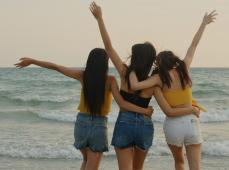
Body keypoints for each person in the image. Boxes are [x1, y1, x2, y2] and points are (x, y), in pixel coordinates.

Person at [90, 2, 200, 170]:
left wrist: (99, 19)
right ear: (150, 61)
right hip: (144, 125)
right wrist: (189, 107)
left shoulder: (125, 72)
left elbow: (109, 47)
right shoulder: (154, 81)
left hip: (125, 123)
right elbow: (170, 105)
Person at [14, 48, 154, 170]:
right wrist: (144, 111)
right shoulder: (110, 80)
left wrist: (33, 61)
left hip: (81, 123)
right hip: (98, 126)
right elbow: (122, 104)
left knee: (87, 161)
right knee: (91, 165)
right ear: (105, 63)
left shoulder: (83, 76)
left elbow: (56, 67)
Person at [129, 11, 217, 170]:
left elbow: (135, 86)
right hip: (192, 122)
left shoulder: (159, 78)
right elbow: (194, 45)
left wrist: (132, 69)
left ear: (160, 63)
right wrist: (204, 23)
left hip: (174, 126)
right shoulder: (184, 68)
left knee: (179, 162)